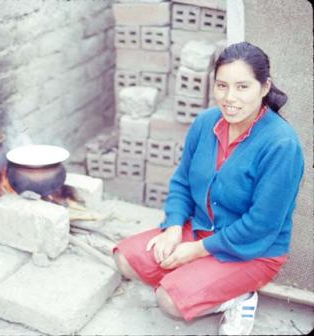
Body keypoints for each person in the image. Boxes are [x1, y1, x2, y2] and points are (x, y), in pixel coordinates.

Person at [113, 41, 304, 335]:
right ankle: (200, 279)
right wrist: (174, 226)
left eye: (242, 87)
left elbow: (261, 225)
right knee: (126, 260)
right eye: (222, 86)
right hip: (201, 227)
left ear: (264, 87)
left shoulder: (281, 145)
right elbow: (182, 181)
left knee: (170, 301)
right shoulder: (205, 123)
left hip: (253, 250)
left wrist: (197, 251)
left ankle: (240, 296)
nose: (230, 98)